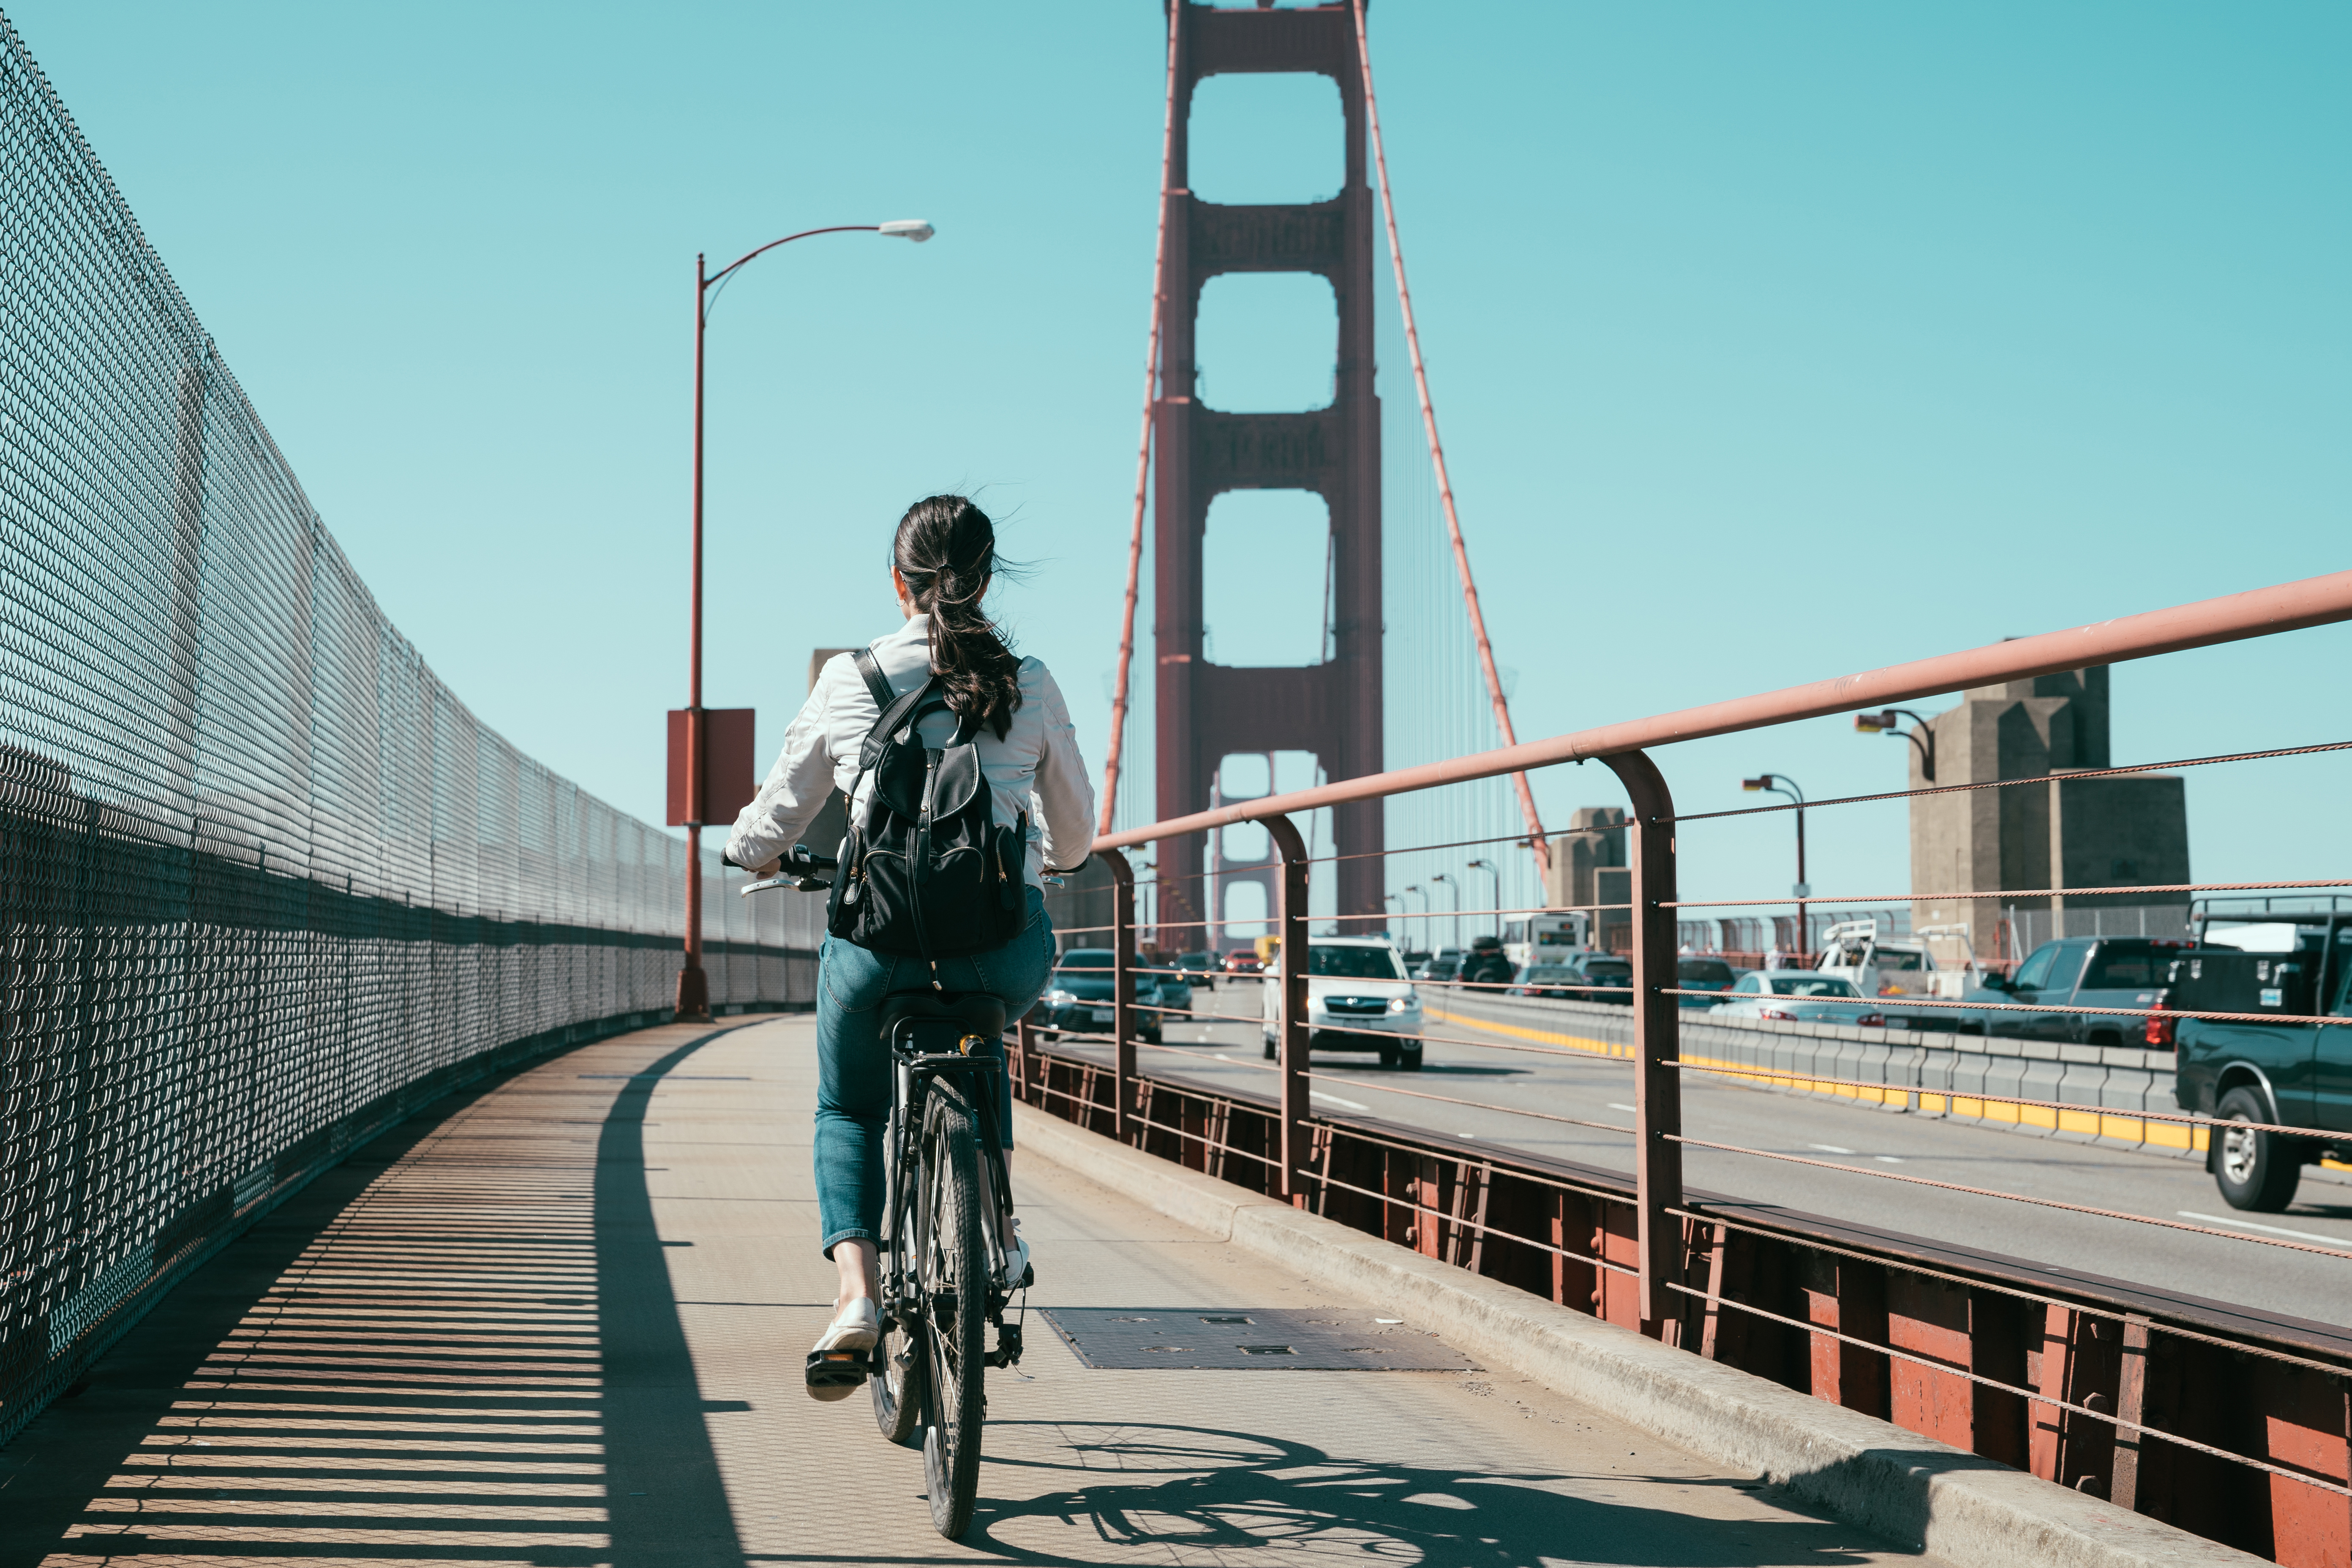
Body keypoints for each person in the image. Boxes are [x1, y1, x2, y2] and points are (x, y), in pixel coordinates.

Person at [724, 494, 1095, 1400]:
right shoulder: (1030, 680)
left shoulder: (849, 680)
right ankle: (998, 1235)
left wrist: (754, 849)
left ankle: (856, 1296)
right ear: (990, 574)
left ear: (897, 582)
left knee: (848, 1110)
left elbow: (766, 823)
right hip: (997, 950)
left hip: (876, 950)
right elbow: (1079, 841)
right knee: (983, 1030)